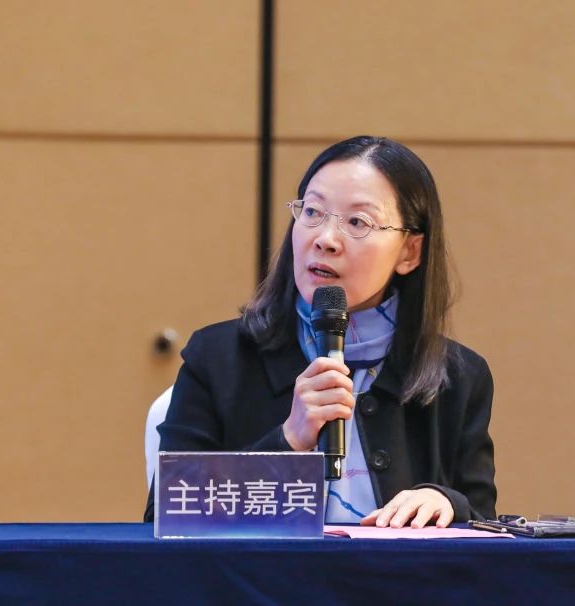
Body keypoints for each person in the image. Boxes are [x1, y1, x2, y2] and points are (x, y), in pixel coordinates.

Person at [144, 136, 495, 527]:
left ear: (409, 252)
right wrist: (289, 440)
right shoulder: (218, 358)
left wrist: (447, 502)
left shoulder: (459, 377)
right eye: (312, 212)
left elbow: (489, 531)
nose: (325, 239)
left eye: (357, 222)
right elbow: (164, 517)